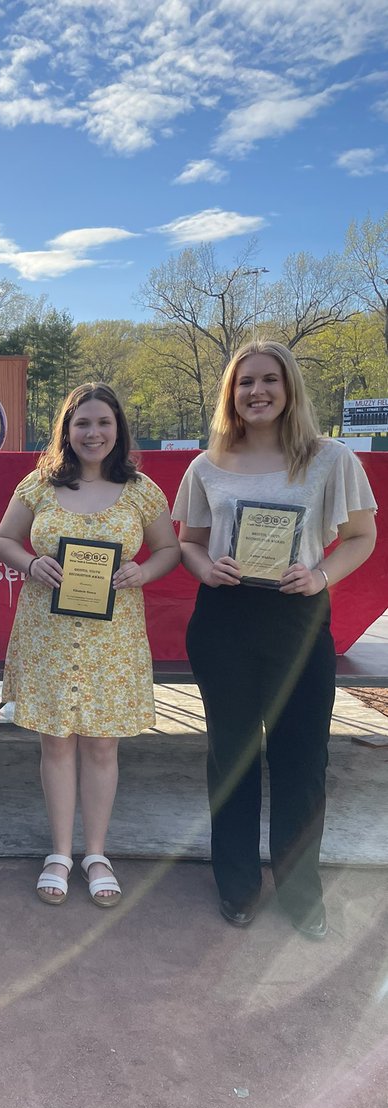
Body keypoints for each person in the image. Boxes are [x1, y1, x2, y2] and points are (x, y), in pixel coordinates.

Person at [173, 341, 377, 940]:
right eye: (244, 383)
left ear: (289, 389)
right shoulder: (207, 463)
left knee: (301, 763)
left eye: (269, 380)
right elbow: (189, 541)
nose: (256, 392)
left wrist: (320, 575)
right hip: (224, 621)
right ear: (230, 394)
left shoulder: (330, 459)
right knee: (231, 760)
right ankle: (236, 885)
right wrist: (204, 566)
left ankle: (300, 891)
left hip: (297, 620)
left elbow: (361, 537)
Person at [0, 383, 180, 906]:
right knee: (55, 740)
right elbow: (3, 540)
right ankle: (59, 852)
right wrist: (31, 563)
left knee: (101, 744)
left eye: (103, 423)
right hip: (48, 633)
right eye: (82, 424)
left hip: (113, 638)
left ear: (118, 428)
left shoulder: (142, 490)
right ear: (66, 431)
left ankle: (96, 853)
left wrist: (142, 572)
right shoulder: (38, 485)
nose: (93, 433)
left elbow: (169, 548)